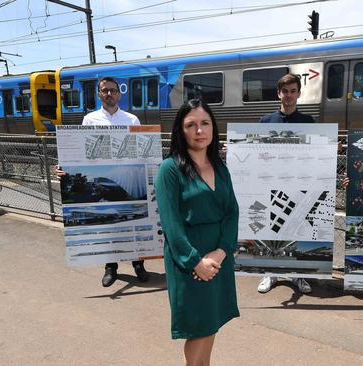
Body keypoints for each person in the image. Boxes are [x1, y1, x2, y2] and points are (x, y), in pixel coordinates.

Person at [155, 99, 239, 365]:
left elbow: (232, 212)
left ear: (213, 128)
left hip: (218, 258)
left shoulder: (220, 167)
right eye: (191, 125)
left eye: (205, 123)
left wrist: (222, 251)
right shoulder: (169, 169)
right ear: (180, 131)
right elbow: (171, 224)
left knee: (211, 323)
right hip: (189, 261)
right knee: (198, 327)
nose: (199, 131)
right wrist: (195, 262)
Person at [57, 76, 149, 287]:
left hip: (125, 174)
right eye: (105, 90)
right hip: (106, 175)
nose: (109, 94)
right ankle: (111, 267)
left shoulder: (132, 120)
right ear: (99, 94)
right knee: (110, 224)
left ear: (119, 93)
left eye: (113, 90)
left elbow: (142, 150)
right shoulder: (89, 120)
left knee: (134, 222)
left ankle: (139, 265)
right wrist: (65, 168)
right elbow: (80, 152)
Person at [257, 73, 314, 294]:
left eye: (293, 91)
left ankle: (298, 275)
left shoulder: (309, 122)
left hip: (299, 185)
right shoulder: (265, 122)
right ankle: (270, 274)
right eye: (285, 91)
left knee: (298, 230)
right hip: (271, 185)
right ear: (278, 93)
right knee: (272, 230)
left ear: (299, 93)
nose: (288, 95)